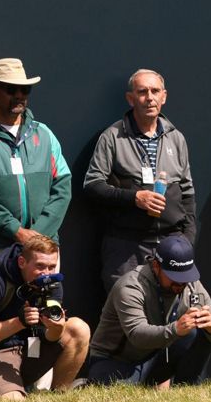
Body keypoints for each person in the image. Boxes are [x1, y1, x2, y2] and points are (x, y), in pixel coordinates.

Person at [84, 69, 198, 290]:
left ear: (164, 96)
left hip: (171, 244)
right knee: (124, 314)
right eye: (142, 92)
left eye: (155, 91)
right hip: (126, 246)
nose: (149, 98)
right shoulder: (113, 136)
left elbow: (188, 192)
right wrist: (135, 198)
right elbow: (92, 185)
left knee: (170, 315)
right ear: (131, 98)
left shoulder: (176, 137)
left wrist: (188, 239)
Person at [0, 58, 72, 263]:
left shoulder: (44, 133)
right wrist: (16, 231)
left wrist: (36, 235)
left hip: (44, 249)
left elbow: (63, 189)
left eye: (25, 90)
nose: (19, 95)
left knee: (49, 297)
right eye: (11, 89)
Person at [0, 233, 91, 399]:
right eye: (40, 266)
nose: (46, 273)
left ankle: (60, 396)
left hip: (32, 351)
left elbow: (49, 337)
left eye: (51, 267)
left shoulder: (52, 284)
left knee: (78, 328)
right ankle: (6, 389)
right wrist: (20, 322)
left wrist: (56, 329)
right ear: (22, 262)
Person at [87, 235, 211, 386]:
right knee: (118, 392)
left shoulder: (191, 284)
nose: (181, 282)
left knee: (201, 330)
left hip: (154, 360)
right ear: (156, 266)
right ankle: (87, 383)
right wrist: (176, 329)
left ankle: (186, 390)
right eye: (174, 276)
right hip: (116, 361)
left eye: (185, 275)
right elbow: (137, 335)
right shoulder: (131, 286)